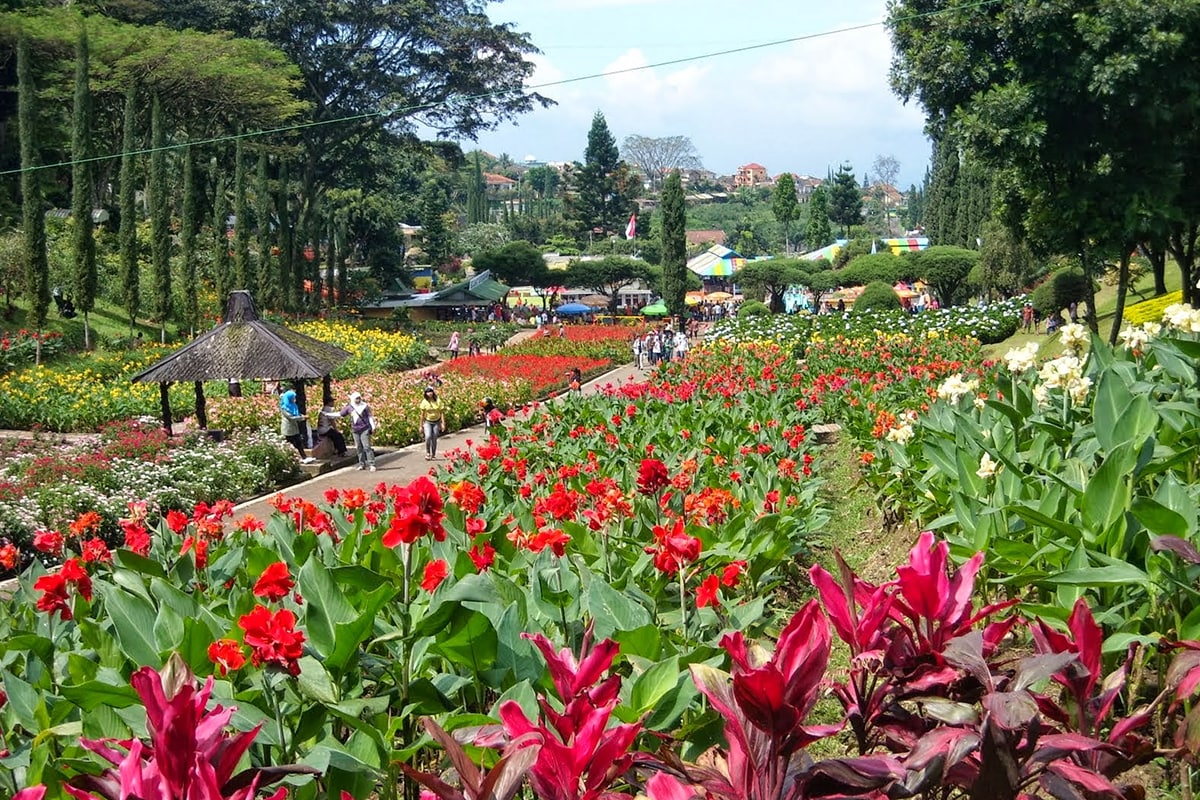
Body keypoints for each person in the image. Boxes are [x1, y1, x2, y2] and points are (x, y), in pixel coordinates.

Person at [330, 391, 377, 471]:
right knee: (358, 447)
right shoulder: (350, 407)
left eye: (359, 398)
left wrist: (373, 426)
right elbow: (340, 414)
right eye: (356, 399)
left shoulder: (364, 406)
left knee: (367, 446)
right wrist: (328, 414)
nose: (358, 400)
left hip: (364, 428)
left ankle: (372, 464)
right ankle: (362, 464)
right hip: (355, 430)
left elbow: (369, 416)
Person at [279, 390, 315, 463]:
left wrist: (302, 416)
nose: (294, 399)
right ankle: (291, 460)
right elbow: (291, 417)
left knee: (298, 443)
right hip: (288, 429)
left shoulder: (293, 406)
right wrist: (303, 418)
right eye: (293, 398)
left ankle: (304, 458)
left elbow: (297, 414)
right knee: (290, 444)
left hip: (294, 428)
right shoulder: (284, 407)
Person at [419, 386, 446, 461]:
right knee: (428, 436)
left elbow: (442, 413)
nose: (429, 393)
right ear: (425, 393)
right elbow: (422, 415)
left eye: (430, 391)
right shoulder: (424, 402)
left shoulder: (438, 400)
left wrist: (443, 424)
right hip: (427, 422)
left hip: (436, 422)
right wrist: (420, 426)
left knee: (434, 438)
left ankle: (433, 454)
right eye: (428, 392)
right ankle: (428, 453)